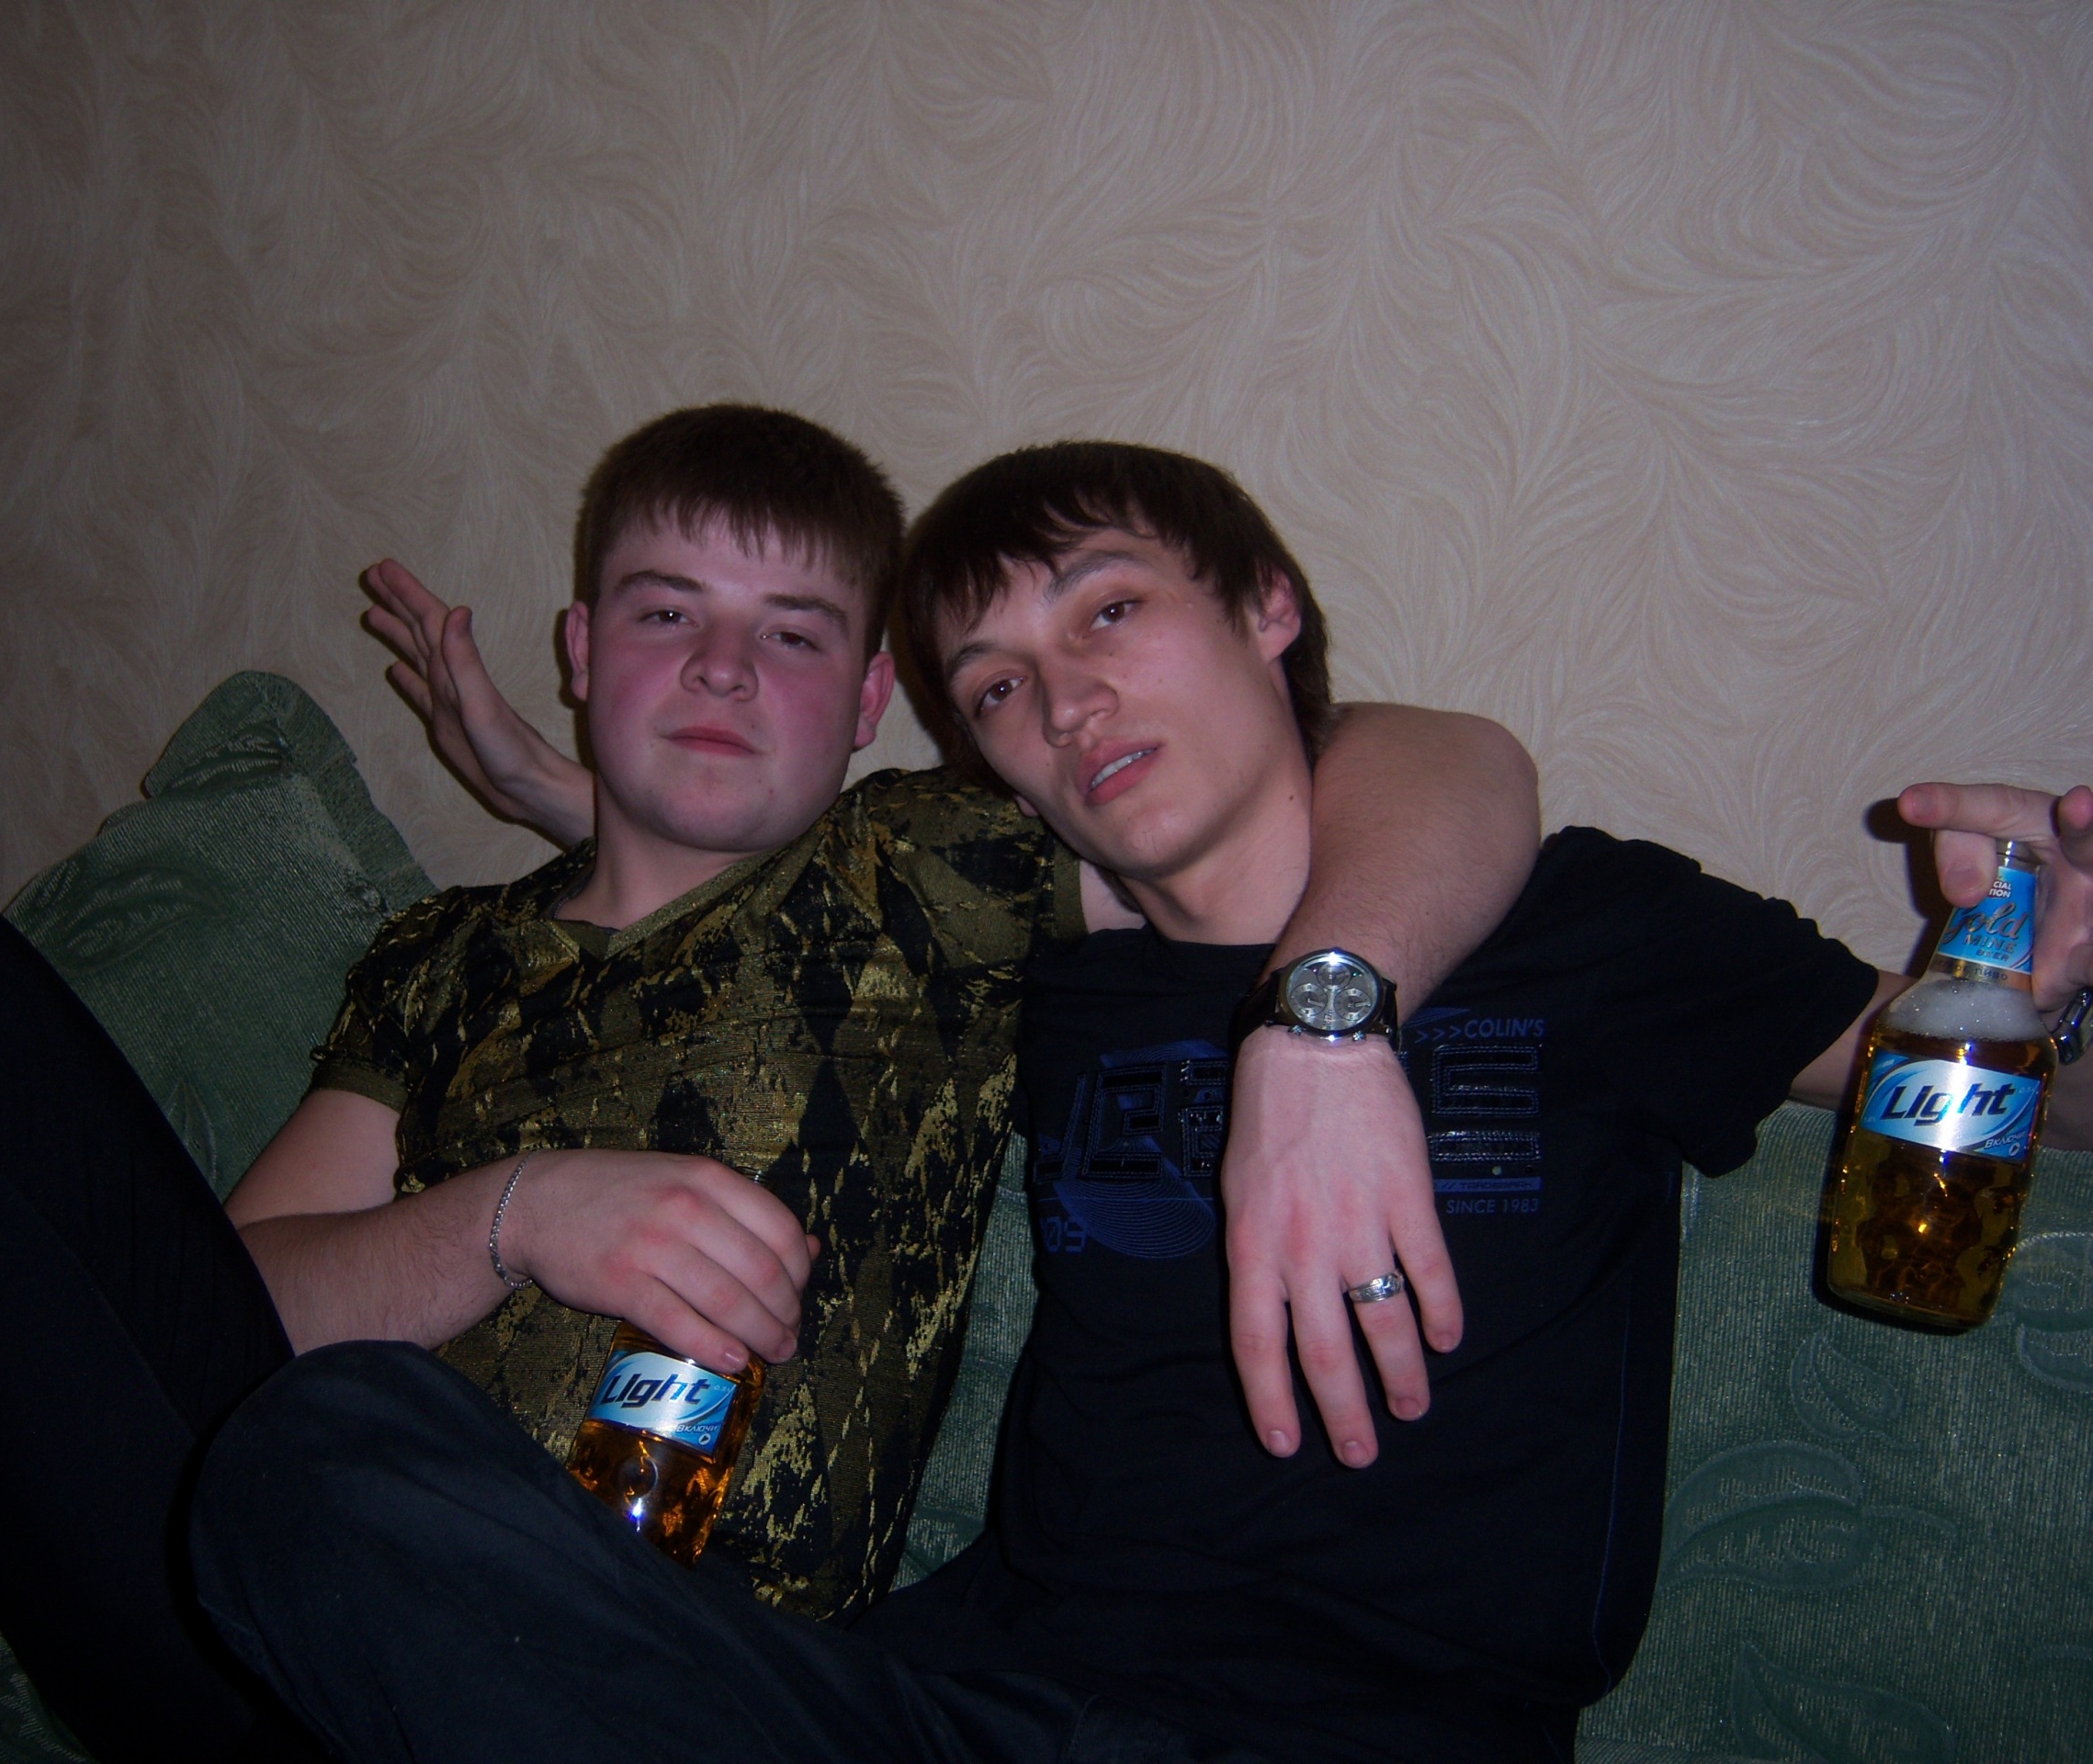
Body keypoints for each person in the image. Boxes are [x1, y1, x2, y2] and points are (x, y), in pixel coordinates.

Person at [187, 439, 2093, 1762]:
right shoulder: (1030, 981)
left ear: (1267, 606)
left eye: (1106, 613)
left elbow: (1989, 1088)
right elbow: (735, 909)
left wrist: (2044, 995)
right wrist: (565, 795)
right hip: (946, 1700)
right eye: (998, 686)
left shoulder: (1588, 925)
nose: (1067, 702)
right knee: (314, 1464)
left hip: (1370, 1731)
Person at [0, 408, 1535, 1764]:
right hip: (250, 1571)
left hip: (640, 1672)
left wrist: (1325, 1021)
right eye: (668, 613)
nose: (722, 668)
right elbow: (226, 1316)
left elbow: (1394, 757)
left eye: (793, 633)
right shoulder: (443, 958)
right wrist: (511, 1215)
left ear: (869, 708)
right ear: (583, 648)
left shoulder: (922, 873)